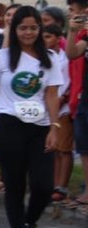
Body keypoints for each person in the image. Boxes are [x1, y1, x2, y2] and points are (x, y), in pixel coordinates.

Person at [0, 5, 63, 228]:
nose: (28, 32)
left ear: (40, 29)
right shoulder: (2, 58)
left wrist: (55, 128)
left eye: (33, 28)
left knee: (43, 186)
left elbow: (51, 95)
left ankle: (29, 223)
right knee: (15, 187)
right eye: (23, 28)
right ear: (14, 29)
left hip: (40, 128)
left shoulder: (50, 58)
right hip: (7, 124)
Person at [42, 23, 74, 202]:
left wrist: (62, 100)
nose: (45, 40)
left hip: (63, 107)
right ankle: (52, 184)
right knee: (53, 150)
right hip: (47, 109)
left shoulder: (64, 58)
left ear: (57, 38)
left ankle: (61, 186)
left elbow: (68, 81)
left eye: (49, 37)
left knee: (64, 149)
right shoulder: (45, 57)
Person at [64, 0, 88, 206]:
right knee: (84, 145)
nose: (70, 14)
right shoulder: (84, 35)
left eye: (73, 11)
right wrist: (72, 31)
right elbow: (72, 53)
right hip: (85, 97)